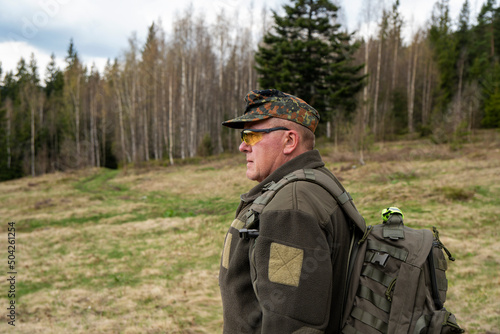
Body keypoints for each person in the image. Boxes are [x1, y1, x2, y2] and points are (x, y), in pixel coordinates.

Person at [219, 89, 353, 333]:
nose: (242, 146)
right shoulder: (317, 182)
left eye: (250, 136)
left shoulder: (290, 208)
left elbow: (290, 322)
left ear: (290, 141)